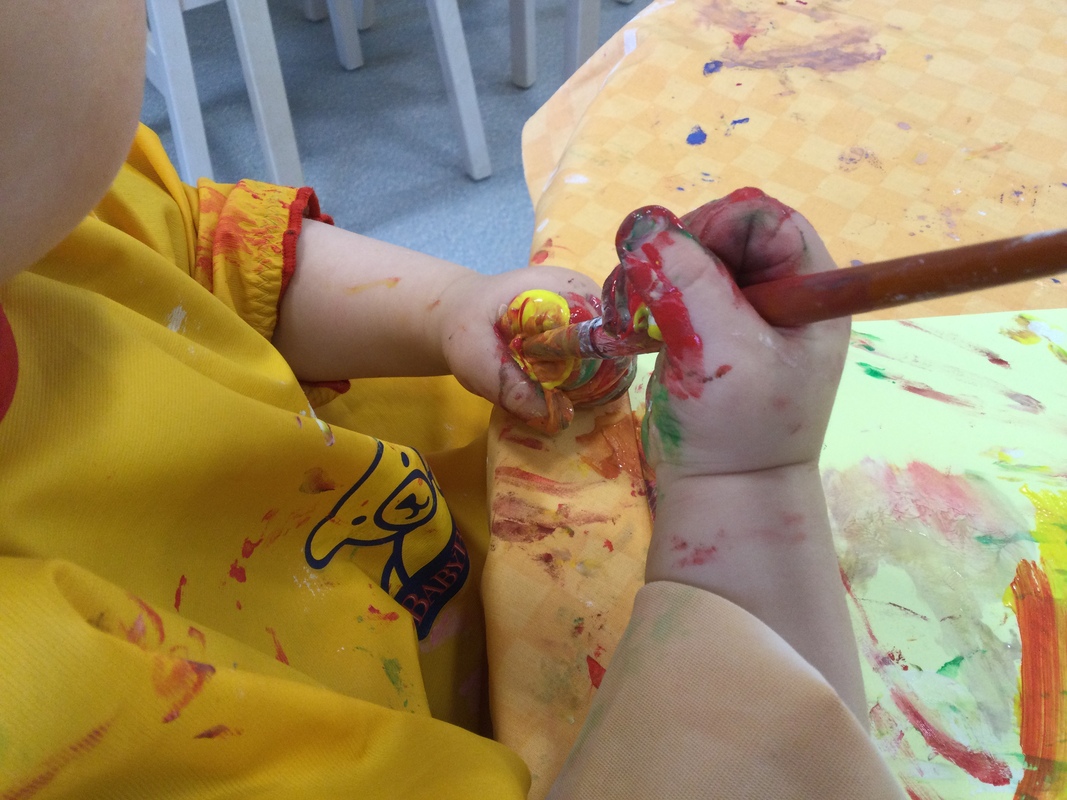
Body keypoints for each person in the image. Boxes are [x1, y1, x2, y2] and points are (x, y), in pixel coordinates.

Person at [0, 2, 904, 797]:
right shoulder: (47, 716)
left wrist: (446, 309)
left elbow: (206, 255)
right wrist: (746, 485)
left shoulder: (51, 226)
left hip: (499, 572)